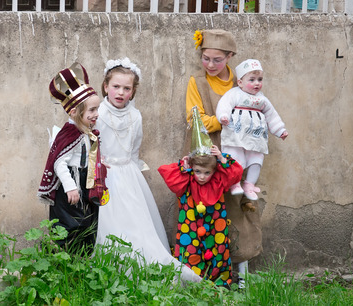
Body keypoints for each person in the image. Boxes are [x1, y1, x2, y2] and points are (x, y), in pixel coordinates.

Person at [95, 57, 202, 283]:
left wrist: (130, 174)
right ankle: (110, 270)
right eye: (116, 87)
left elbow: (134, 149)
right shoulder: (98, 113)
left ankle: (144, 268)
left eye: (127, 88)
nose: (121, 92)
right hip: (103, 176)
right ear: (106, 86)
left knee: (136, 224)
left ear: (133, 92)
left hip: (128, 175)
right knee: (110, 223)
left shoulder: (135, 116)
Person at [184, 29, 262, 289]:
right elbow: (194, 119)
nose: (210, 65)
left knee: (237, 208)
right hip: (208, 154)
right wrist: (227, 121)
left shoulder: (239, 82)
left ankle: (241, 270)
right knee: (204, 212)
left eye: (217, 59)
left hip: (238, 153)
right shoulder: (197, 82)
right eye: (206, 58)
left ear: (230, 56)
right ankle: (204, 274)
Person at [158, 107, 243, 287]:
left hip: (215, 226)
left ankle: (218, 283)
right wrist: (184, 165)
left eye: (207, 172)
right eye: (198, 171)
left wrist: (220, 158)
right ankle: (191, 283)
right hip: (191, 228)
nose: (202, 176)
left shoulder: (218, 180)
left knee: (217, 249)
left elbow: (235, 173)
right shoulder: (187, 179)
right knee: (190, 251)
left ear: (214, 171)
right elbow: (169, 176)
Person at [37, 63, 101, 254]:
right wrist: (70, 186)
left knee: (87, 223)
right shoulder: (68, 134)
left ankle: (82, 262)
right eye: (91, 111)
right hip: (71, 186)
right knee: (68, 226)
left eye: (97, 109)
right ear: (74, 112)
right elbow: (59, 162)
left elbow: (90, 155)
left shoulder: (87, 133)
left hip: (86, 183)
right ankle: (63, 262)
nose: (96, 114)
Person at [216, 59, 288, 201]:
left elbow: (271, 115)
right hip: (236, 135)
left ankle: (249, 185)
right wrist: (223, 116)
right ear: (240, 82)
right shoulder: (234, 94)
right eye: (252, 79)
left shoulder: (262, 99)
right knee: (235, 159)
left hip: (256, 137)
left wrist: (280, 130)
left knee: (256, 160)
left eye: (260, 79)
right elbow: (224, 104)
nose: (257, 83)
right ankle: (235, 183)